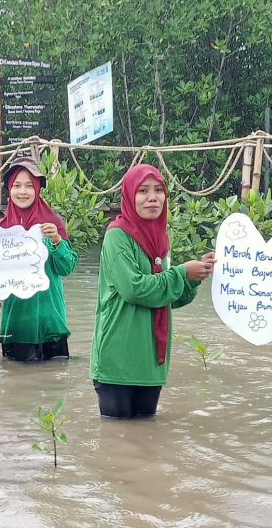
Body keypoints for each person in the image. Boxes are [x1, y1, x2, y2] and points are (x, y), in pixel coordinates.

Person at [89, 164, 215, 419]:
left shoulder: (160, 239)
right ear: (129, 196)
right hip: (118, 359)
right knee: (117, 439)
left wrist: (195, 276)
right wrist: (181, 273)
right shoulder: (117, 236)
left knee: (146, 439)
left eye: (159, 190)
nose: (152, 197)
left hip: (150, 363)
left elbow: (164, 297)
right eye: (143, 191)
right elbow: (134, 289)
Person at [0, 156, 78, 361]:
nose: (22, 191)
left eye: (29, 186)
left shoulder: (52, 224)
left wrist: (57, 240)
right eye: (17, 185)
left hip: (51, 321)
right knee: (16, 386)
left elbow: (66, 268)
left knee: (55, 385)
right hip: (16, 324)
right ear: (9, 190)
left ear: (38, 190)